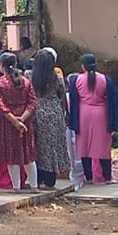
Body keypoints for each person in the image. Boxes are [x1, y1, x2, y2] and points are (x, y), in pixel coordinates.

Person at [67, 54, 118, 184]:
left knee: (84, 146)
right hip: (101, 114)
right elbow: (113, 101)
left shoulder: (77, 80)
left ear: (83, 66)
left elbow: (74, 100)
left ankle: (89, 177)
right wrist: (113, 122)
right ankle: (107, 177)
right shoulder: (105, 79)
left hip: (83, 114)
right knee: (103, 146)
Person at [0, 53, 37, 190]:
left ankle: (16, 187)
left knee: (11, 154)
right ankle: (34, 185)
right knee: (27, 152)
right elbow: (33, 102)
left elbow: (0, 105)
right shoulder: (26, 82)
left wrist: (14, 120)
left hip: (7, 122)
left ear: (1, 66)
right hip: (25, 121)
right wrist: (22, 118)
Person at [29, 48, 73, 189]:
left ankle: (38, 177)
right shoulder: (56, 77)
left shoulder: (30, 76)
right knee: (54, 145)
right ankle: (51, 177)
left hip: (36, 111)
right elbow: (61, 95)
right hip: (54, 112)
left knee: (38, 145)